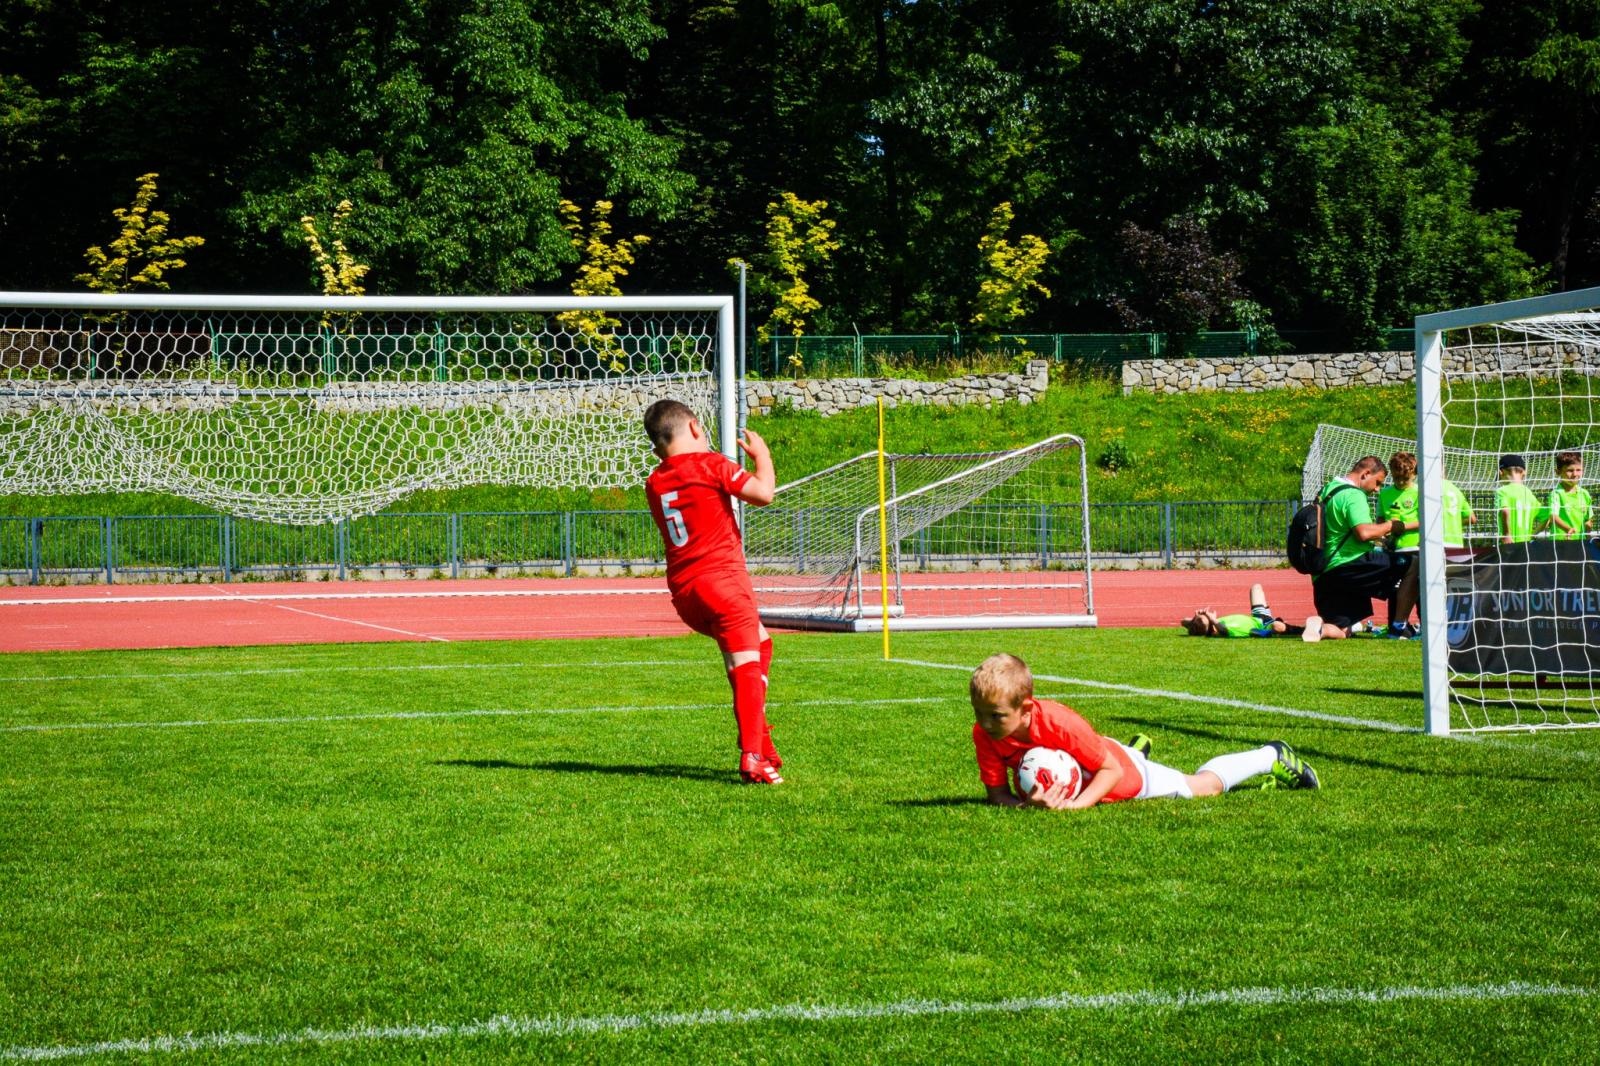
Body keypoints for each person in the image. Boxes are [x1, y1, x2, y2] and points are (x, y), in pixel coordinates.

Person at [969, 653, 1320, 809]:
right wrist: (1026, 806)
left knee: (1203, 788)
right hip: (1102, 754)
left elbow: (1112, 770)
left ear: (1026, 708)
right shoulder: (984, 733)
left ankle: (1270, 755)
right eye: (979, 714)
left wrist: (1076, 806)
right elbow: (997, 794)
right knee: (1117, 753)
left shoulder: (1060, 723)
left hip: (1125, 775)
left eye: (997, 716)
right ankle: (1137, 748)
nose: (986, 724)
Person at [643, 399, 784, 784]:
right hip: (723, 583)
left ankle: (762, 740)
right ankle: (753, 756)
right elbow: (763, 493)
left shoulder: (655, 482)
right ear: (692, 428)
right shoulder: (710, 465)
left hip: (685, 592)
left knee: (760, 645)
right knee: (745, 667)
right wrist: (763, 456)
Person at [1303, 456, 1406, 642]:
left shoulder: (1328, 489)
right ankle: (1398, 628)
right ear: (1366, 474)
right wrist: (1391, 526)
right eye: (1378, 483)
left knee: (1341, 630)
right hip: (1349, 564)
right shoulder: (1353, 495)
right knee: (1408, 565)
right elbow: (1364, 533)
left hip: (1323, 574)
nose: (1377, 489)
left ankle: (1319, 628)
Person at [1376, 451, 1421, 639]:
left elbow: (1425, 519)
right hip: (1393, 549)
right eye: (1396, 478)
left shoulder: (1420, 492)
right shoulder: (1385, 493)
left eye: (1406, 478)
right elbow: (1380, 520)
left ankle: (1419, 625)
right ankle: (1397, 626)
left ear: (1414, 473)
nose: (1401, 482)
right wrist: (1383, 537)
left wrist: (1402, 527)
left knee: (1418, 588)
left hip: (1416, 547)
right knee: (1395, 589)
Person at [1179, 583, 1305, 637]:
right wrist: (1211, 619)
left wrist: (1195, 620)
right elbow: (1223, 631)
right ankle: (1303, 630)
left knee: (1256, 587)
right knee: (1277, 626)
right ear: (1211, 625)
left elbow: (1183, 621)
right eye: (1204, 618)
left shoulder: (1215, 623)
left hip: (1257, 617)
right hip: (1263, 626)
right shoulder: (1222, 629)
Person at [1495, 453, 1544, 544]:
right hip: (1525, 544)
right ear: (1524, 472)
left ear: (1500, 472)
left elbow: (1505, 510)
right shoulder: (1529, 494)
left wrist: (1507, 534)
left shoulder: (1502, 491)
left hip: (1508, 544)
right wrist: (1533, 534)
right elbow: (1548, 516)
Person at [1546, 451, 1592, 541]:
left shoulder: (1585, 494)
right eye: (1570, 470)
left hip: (1580, 543)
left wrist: (1588, 536)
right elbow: (1553, 517)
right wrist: (1568, 529)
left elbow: (1588, 519)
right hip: (1560, 543)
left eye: (1578, 470)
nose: (1575, 474)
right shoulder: (1556, 494)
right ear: (1558, 472)